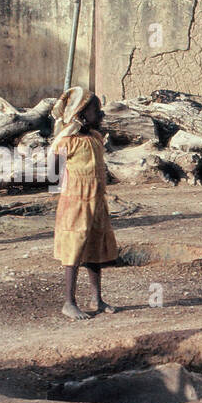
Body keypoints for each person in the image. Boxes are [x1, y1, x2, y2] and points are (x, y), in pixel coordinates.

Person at [49, 87, 118, 320]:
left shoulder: (96, 138)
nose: (100, 114)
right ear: (79, 113)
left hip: (96, 200)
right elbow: (53, 173)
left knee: (95, 247)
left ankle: (96, 299)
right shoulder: (67, 141)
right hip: (75, 201)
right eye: (95, 110)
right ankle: (69, 302)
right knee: (74, 248)